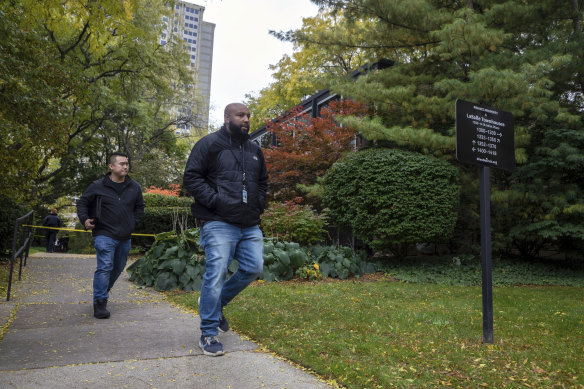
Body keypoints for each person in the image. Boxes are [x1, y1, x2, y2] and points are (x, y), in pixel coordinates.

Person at [183, 103, 268, 356]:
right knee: (216, 272)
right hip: (218, 221)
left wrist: (258, 204)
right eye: (241, 115)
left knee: (254, 267)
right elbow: (191, 178)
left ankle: (216, 305)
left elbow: (262, 182)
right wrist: (217, 201)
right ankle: (208, 334)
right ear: (227, 117)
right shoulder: (209, 144)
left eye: (248, 116)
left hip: (249, 223)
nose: (246, 120)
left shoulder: (254, 150)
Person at [76, 152, 145, 319]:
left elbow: (140, 207)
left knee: (118, 267)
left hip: (125, 235)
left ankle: (103, 288)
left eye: (127, 163)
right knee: (105, 266)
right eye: (122, 163)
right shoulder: (97, 186)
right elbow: (83, 202)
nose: (125, 166)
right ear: (111, 166)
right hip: (103, 232)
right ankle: (100, 302)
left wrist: (133, 222)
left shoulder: (134, 186)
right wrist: (85, 220)